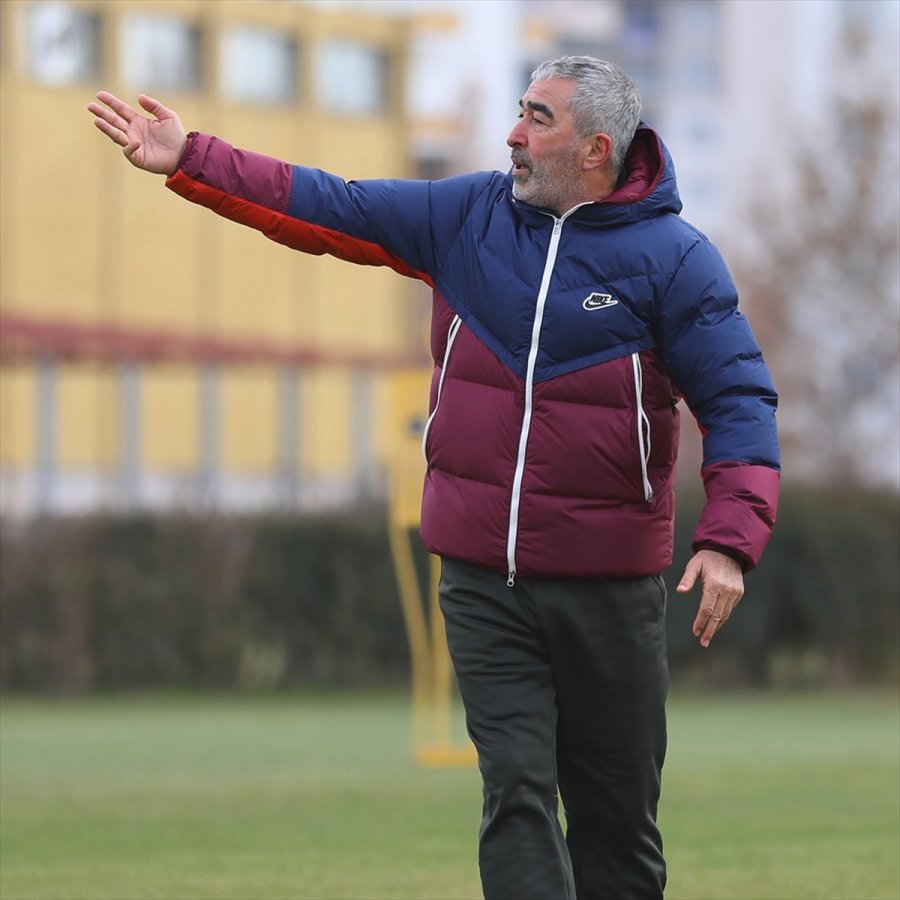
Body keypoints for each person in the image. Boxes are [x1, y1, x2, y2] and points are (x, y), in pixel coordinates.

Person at [88, 56, 780, 900]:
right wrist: (192, 157)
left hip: (610, 588)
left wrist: (729, 542)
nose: (513, 134)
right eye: (519, 111)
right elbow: (328, 202)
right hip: (484, 583)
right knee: (515, 796)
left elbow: (738, 399)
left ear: (596, 148)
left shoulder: (677, 261)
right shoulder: (465, 217)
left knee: (616, 824)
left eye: (538, 119)